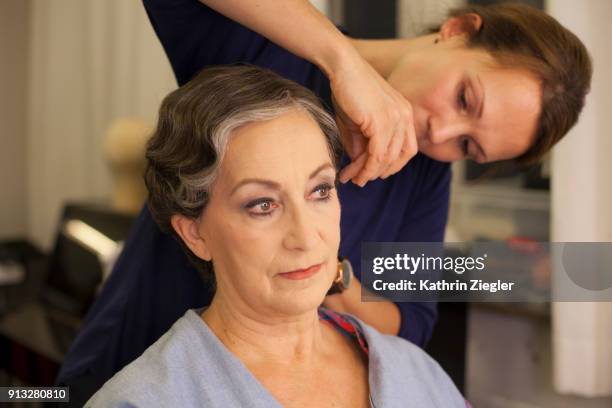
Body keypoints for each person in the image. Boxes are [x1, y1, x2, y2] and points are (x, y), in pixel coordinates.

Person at [58, 0, 592, 403]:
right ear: (457, 30)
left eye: (467, 146)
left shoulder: (426, 174)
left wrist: (328, 275)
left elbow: (411, 322)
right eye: (463, 97)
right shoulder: (271, 51)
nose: (440, 131)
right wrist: (343, 60)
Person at [86, 64, 466, 408]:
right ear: (195, 233)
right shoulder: (143, 401)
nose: (305, 238)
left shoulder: (416, 374)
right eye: (262, 205)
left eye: (320, 190)